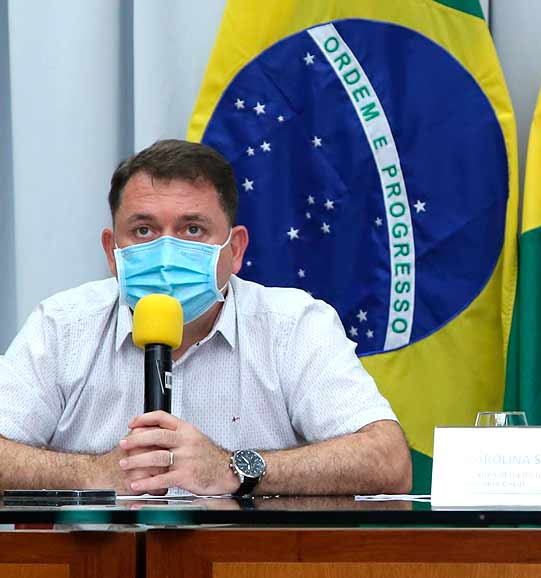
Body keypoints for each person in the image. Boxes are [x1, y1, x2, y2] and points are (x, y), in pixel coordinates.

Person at [0, 140, 411, 496]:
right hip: (94, 574)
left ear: (235, 250)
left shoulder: (293, 325)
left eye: (192, 229)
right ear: (112, 251)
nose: (165, 253)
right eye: (143, 231)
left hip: (251, 574)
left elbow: (388, 462)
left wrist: (234, 468)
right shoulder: (62, 326)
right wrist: (93, 473)